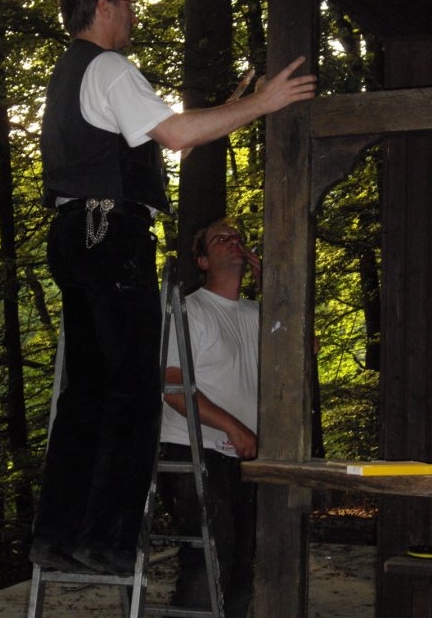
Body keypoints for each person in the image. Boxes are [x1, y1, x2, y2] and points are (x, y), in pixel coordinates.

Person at [29, 0, 316, 577]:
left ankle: (58, 534)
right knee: (133, 388)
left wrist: (234, 106)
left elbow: (166, 137)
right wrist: (264, 102)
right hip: (112, 234)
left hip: (75, 233)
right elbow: (177, 134)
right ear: (103, 7)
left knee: (88, 390)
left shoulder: (68, 72)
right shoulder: (108, 67)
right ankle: (106, 540)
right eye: (127, 1)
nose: (132, 13)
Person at [159, 218, 261, 618]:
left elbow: (307, 349)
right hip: (192, 452)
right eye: (222, 238)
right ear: (202, 261)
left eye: (239, 238)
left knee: (243, 565)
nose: (234, 242)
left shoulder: (257, 312)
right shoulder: (189, 310)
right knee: (210, 560)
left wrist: (273, 286)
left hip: (245, 458)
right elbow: (172, 387)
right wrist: (233, 426)